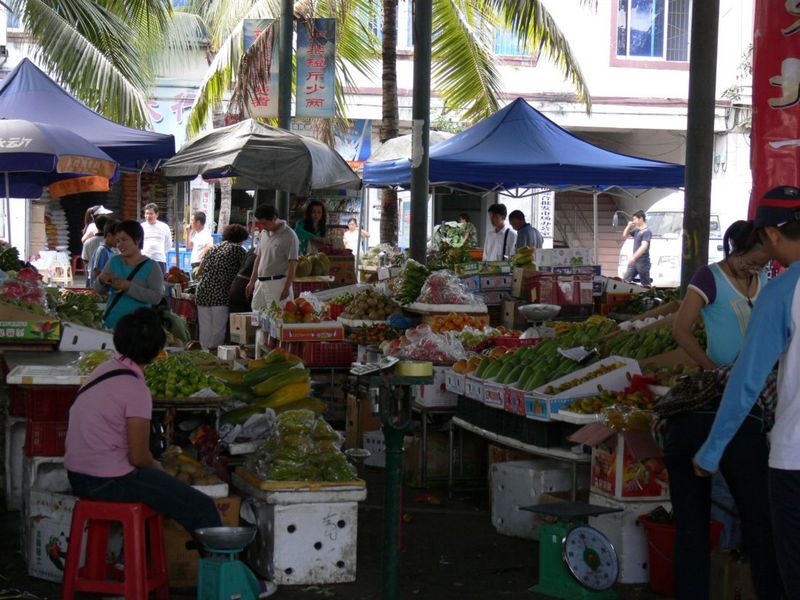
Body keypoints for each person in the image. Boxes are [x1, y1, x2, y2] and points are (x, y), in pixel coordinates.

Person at [664, 220, 780, 599]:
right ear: (736, 248)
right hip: (720, 395)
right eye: (751, 261)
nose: (754, 269)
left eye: (761, 265)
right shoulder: (709, 277)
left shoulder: (768, 282)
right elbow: (681, 329)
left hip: (754, 390)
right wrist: (713, 369)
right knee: (728, 519)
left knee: (749, 515)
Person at [694, 185, 800, 599]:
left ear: (772, 235)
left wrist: (711, 450)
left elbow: (746, 381)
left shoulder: (781, 292)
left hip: (794, 460)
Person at [65, 307, 222, 538]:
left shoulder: (104, 369)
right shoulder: (135, 389)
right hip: (105, 481)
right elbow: (138, 458)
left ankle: (129, 558)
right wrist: (159, 468)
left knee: (166, 494)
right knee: (202, 508)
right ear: (158, 351)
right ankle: (218, 569)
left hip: (77, 474)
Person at [95, 220, 164, 330]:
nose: (120, 245)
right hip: (111, 324)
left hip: (138, 328)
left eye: (124, 240)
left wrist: (128, 287)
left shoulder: (152, 267)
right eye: (117, 241)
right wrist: (101, 280)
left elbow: (156, 298)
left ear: (137, 240)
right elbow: (100, 290)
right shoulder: (113, 261)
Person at [196, 224, 248, 350]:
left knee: (205, 328)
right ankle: (213, 357)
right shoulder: (239, 250)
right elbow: (246, 270)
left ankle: (203, 355)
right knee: (218, 330)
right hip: (220, 293)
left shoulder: (215, 247)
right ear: (241, 239)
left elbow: (200, 270)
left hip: (203, 291)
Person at [246, 205, 299, 311]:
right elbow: (258, 258)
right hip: (260, 283)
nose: (262, 226)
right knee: (256, 314)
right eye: (261, 223)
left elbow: (293, 263)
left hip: (278, 284)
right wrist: (252, 281)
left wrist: (287, 287)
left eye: (265, 223)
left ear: (274, 218)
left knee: (277, 318)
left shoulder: (290, 235)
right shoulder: (263, 233)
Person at [622, 210, 652, 286]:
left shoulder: (647, 231)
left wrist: (634, 257)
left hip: (643, 261)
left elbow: (644, 246)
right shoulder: (636, 230)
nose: (633, 221)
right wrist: (628, 226)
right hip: (634, 262)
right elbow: (625, 235)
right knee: (625, 280)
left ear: (641, 218)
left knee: (645, 283)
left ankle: (649, 296)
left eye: (635, 219)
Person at [141, 203, 172, 275]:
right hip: (144, 260)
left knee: (159, 283)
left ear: (156, 215)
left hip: (159, 260)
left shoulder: (164, 227)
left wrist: (158, 252)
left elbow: (168, 244)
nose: (148, 216)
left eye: (151, 213)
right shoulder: (141, 227)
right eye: (146, 213)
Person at [88, 218, 118, 288]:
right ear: (109, 236)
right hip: (100, 292)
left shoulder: (112, 251)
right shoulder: (102, 250)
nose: (119, 240)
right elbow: (96, 273)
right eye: (117, 237)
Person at [81, 214, 108, 285]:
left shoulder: (88, 242)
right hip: (108, 277)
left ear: (96, 225)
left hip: (91, 276)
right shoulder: (111, 242)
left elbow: (85, 260)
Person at [229, 246, 257, 315]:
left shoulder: (252, 250)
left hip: (236, 283)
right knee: (248, 317)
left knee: (236, 318)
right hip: (247, 284)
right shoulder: (261, 251)